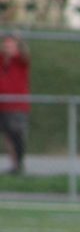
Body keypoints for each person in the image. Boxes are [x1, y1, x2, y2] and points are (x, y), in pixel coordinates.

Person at [0, 34, 30, 175]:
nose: (8, 48)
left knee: (16, 135)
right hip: (2, 105)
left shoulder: (20, 60)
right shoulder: (1, 59)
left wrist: (20, 41)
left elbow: (25, 54)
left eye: (11, 45)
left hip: (17, 105)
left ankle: (19, 165)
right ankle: (14, 165)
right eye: (6, 45)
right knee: (7, 136)